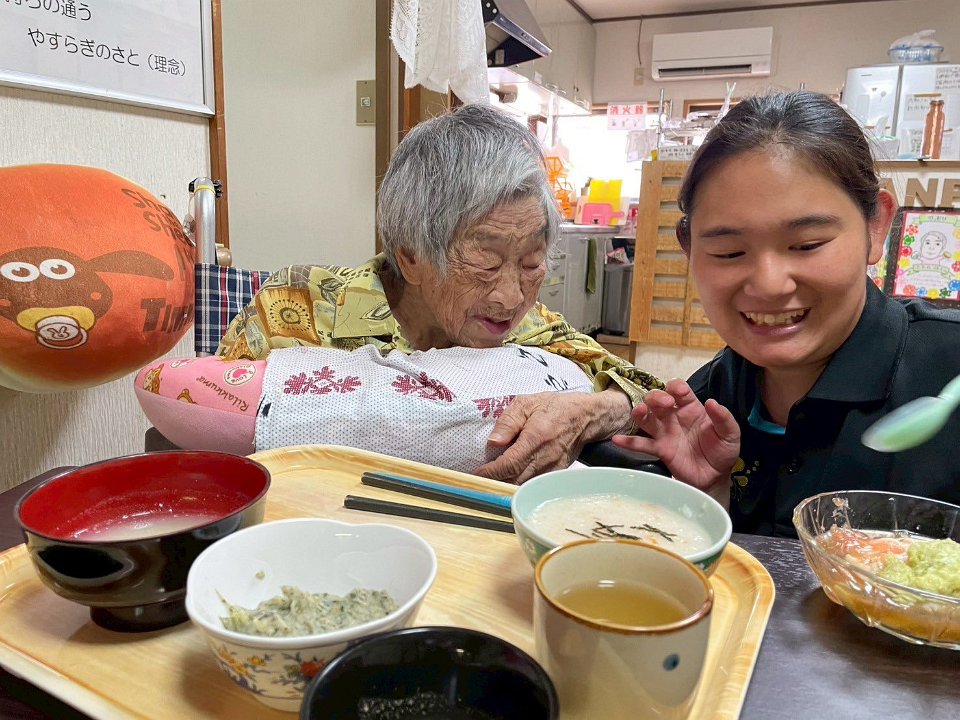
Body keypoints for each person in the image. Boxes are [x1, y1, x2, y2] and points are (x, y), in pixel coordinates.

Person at [218, 103, 665, 483]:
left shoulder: (534, 329)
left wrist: (588, 412)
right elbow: (208, 424)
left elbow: (650, 398)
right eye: (486, 264)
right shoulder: (296, 308)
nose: (511, 298)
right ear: (411, 256)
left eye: (531, 263)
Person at [613, 90, 960, 537]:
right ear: (690, 250)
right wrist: (707, 500)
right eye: (729, 252)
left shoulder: (946, 368)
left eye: (807, 245)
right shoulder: (710, 401)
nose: (769, 284)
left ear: (876, 226)